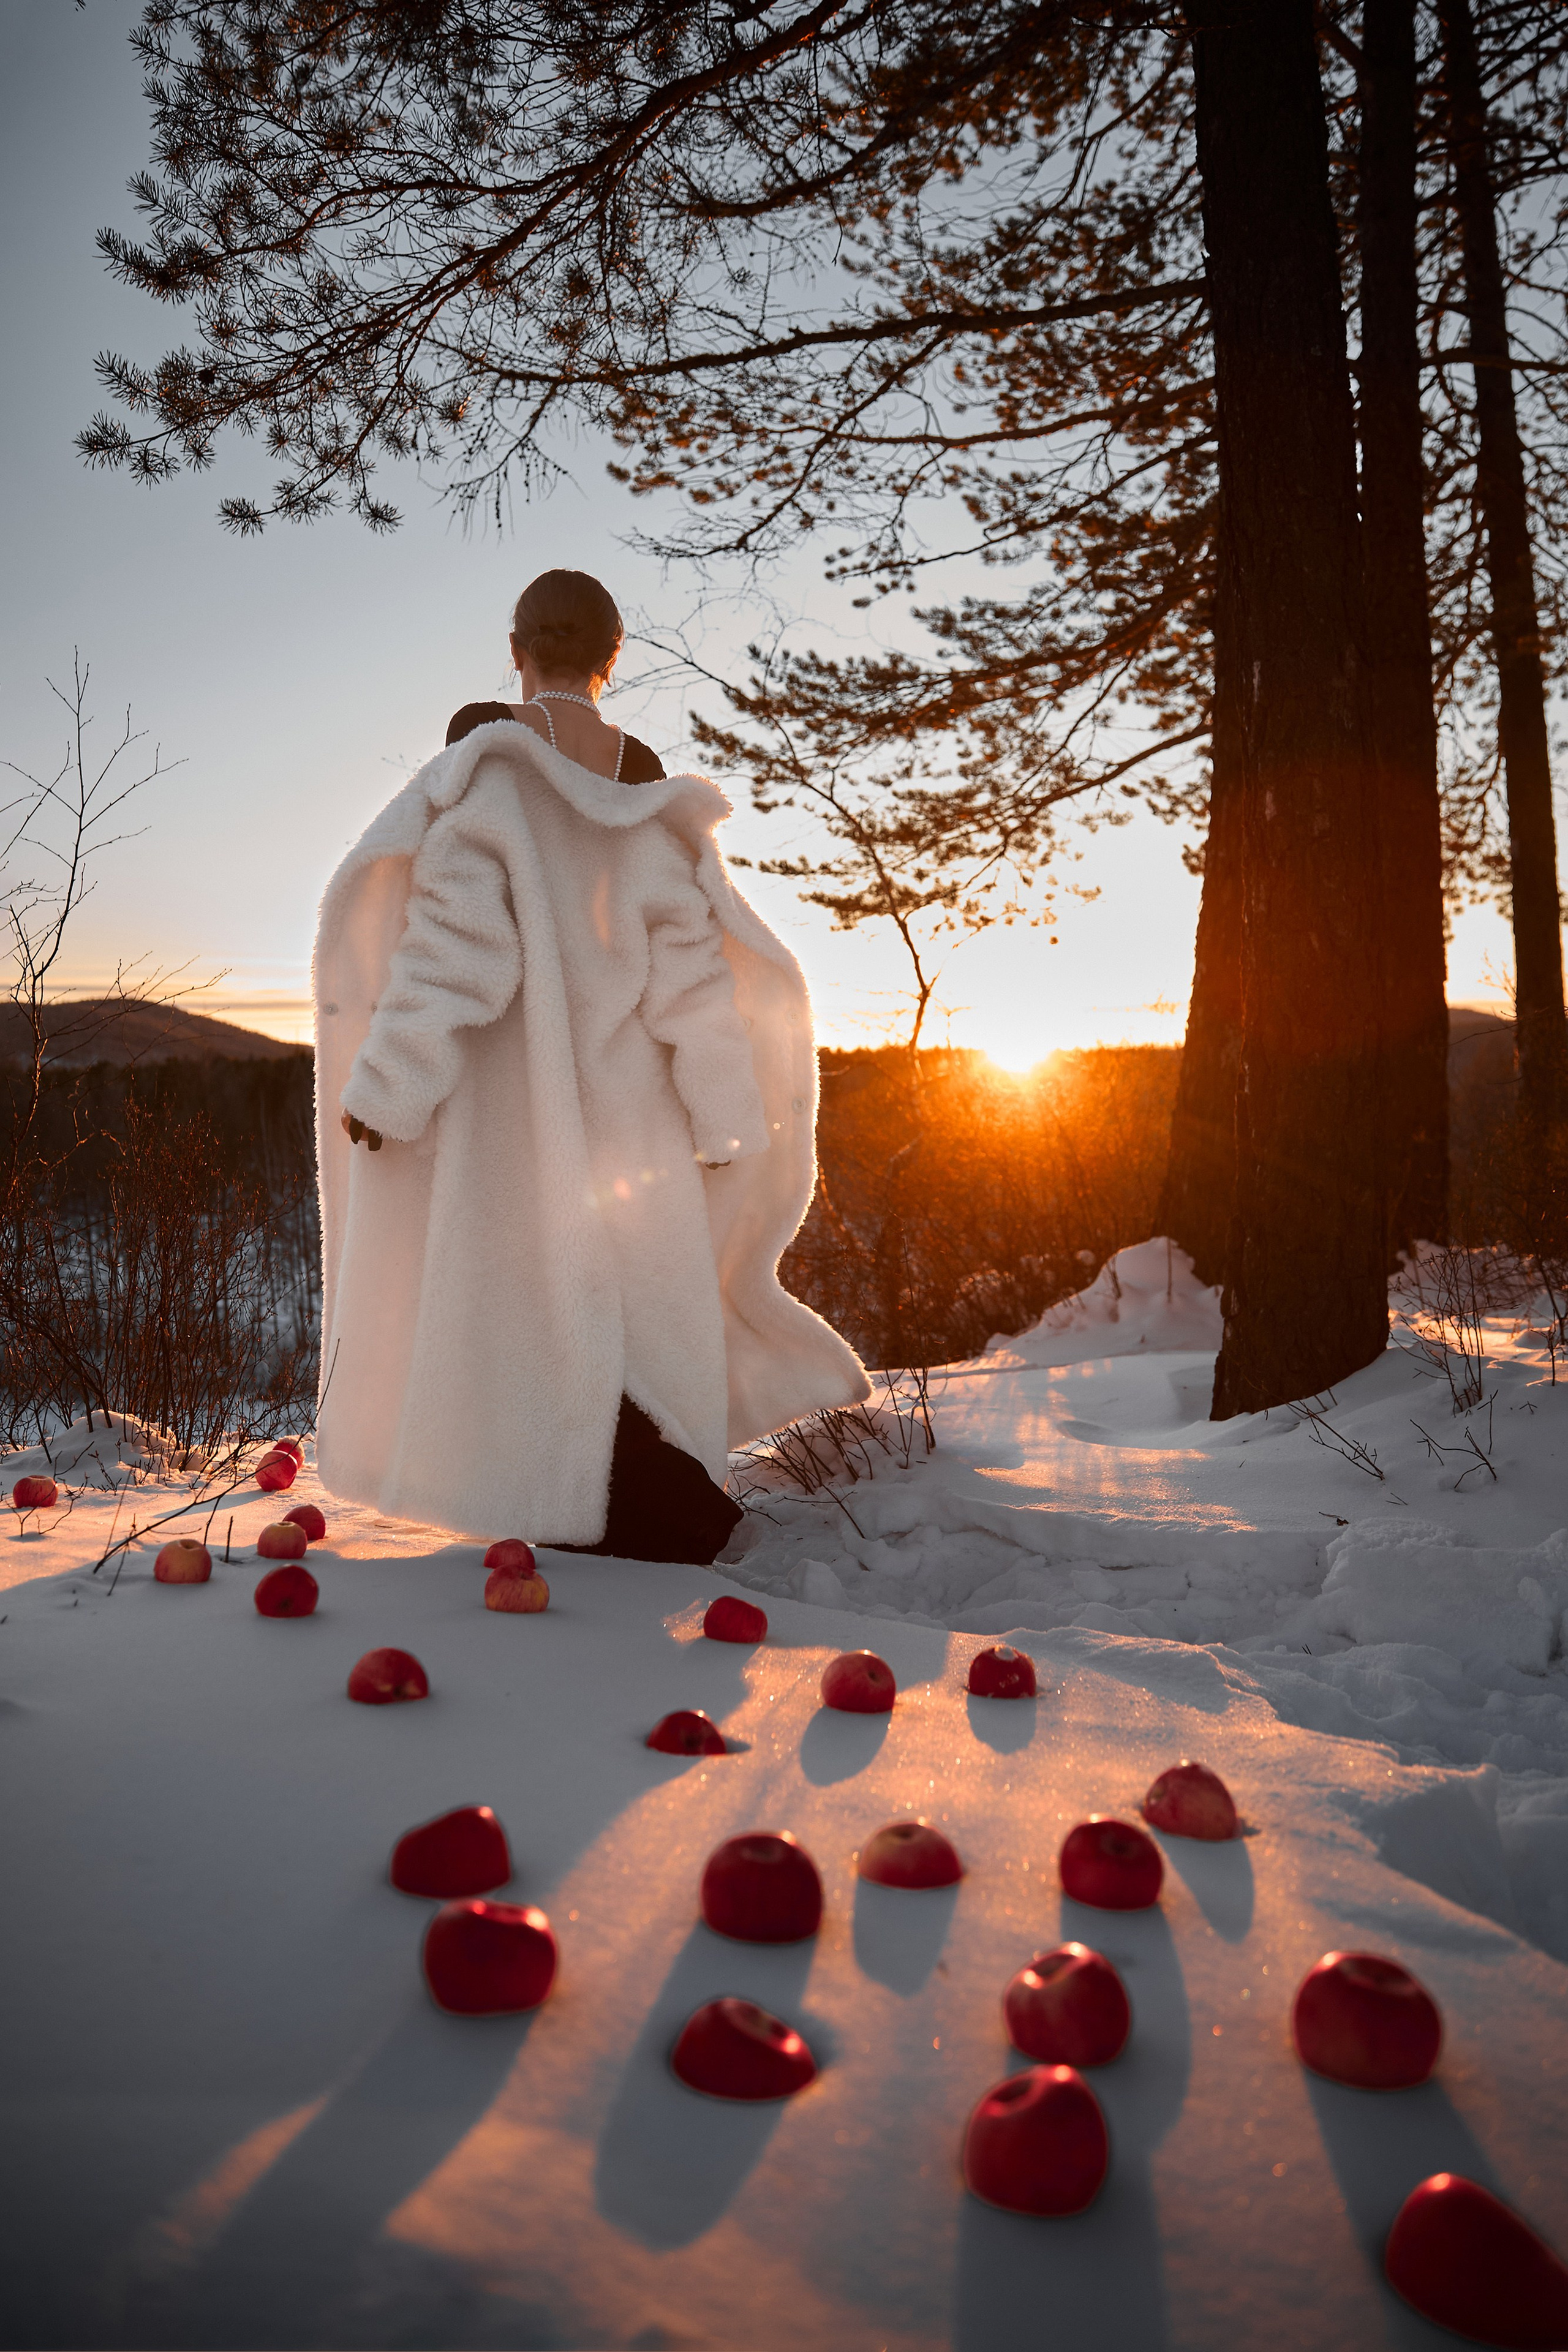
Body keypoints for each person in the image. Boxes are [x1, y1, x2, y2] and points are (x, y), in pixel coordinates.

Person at [312, 568, 869, 1562]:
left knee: (529, 1322)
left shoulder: (487, 787)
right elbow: (693, 990)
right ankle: (649, 1513)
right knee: (636, 1328)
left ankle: (606, 1515)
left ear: (517, 651)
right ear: (614, 660)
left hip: (514, 1126)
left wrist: (390, 1087)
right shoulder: (654, 817)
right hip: (636, 1123)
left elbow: (451, 956)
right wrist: (722, 1115)